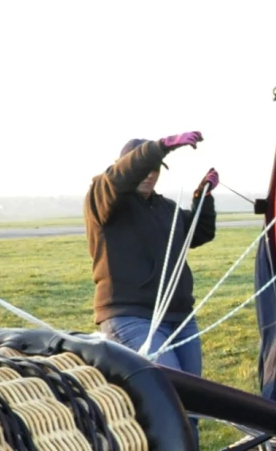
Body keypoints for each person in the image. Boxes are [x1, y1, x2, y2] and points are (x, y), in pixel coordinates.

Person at [86, 132, 218, 375]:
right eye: (143, 168)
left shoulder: (165, 208)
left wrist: (203, 198)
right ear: (125, 168)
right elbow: (118, 179)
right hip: (130, 317)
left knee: (196, 400)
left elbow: (198, 234)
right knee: (174, 392)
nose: (149, 174)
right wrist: (161, 147)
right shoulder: (103, 199)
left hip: (180, 319)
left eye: (155, 169)